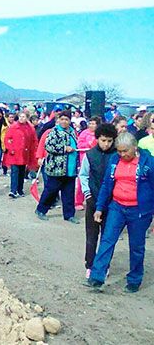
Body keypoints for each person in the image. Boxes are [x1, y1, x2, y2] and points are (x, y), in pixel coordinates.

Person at [85, 132, 154, 293]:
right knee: (107, 240)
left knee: (136, 246)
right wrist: (100, 207)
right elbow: (106, 185)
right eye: (119, 151)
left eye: (125, 151)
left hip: (139, 211)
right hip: (117, 207)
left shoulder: (148, 163)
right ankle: (96, 277)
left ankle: (134, 279)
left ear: (135, 148)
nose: (122, 154)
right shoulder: (115, 160)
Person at [79, 123, 117, 278]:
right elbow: (83, 175)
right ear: (97, 139)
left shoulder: (117, 156)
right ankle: (90, 264)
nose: (106, 144)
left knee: (107, 237)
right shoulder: (90, 155)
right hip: (93, 201)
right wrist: (87, 194)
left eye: (109, 141)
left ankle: (103, 265)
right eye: (103, 140)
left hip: (113, 203)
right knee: (91, 235)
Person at [35, 110, 80, 223]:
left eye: (67, 119)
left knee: (69, 193)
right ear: (58, 120)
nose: (64, 121)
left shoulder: (73, 132)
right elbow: (49, 147)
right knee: (51, 190)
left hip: (70, 168)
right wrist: (64, 148)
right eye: (62, 119)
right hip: (56, 168)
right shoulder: (53, 132)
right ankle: (41, 209)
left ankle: (69, 215)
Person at [3, 112, 38, 198]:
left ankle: (20, 189)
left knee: (22, 172)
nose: (22, 118)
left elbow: (34, 140)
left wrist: (33, 151)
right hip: (14, 153)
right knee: (14, 171)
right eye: (20, 117)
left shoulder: (30, 128)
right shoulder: (14, 127)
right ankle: (13, 190)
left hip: (24, 153)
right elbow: (7, 138)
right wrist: (10, 148)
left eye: (23, 117)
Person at [75, 116, 102, 210]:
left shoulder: (100, 134)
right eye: (90, 123)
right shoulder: (84, 133)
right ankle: (78, 201)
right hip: (84, 159)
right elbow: (79, 144)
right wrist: (88, 145)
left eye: (93, 123)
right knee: (81, 180)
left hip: (96, 160)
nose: (91, 125)